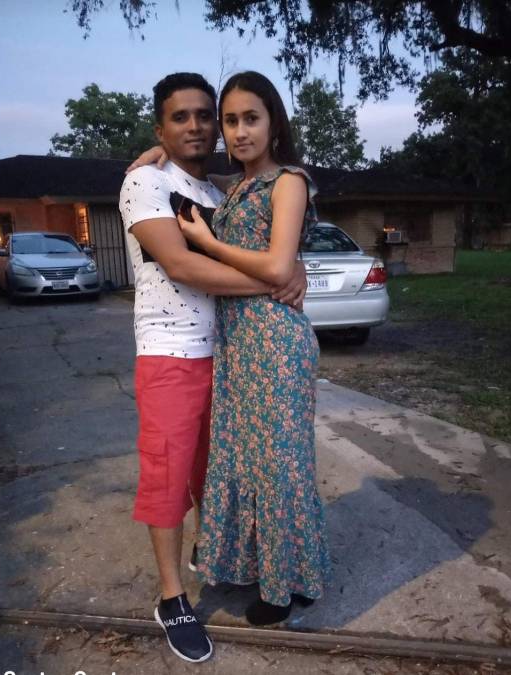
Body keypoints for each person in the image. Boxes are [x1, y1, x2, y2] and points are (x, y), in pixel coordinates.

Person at [118, 72, 306, 663]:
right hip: (169, 354)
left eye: (206, 115)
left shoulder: (220, 189)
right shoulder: (145, 182)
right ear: (160, 128)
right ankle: (172, 597)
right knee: (167, 477)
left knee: (217, 474)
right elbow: (182, 266)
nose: (196, 126)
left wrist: (288, 263)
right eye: (181, 117)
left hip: (228, 355)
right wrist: (276, 278)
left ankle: (224, 559)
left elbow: (269, 209)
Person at [176, 71, 331, 626]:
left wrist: (207, 241)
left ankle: (281, 590)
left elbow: (277, 266)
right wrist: (157, 150)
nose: (240, 131)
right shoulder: (237, 186)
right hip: (238, 342)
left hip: (275, 341)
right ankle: (297, 574)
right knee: (251, 461)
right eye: (230, 121)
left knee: (278, 466)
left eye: (251, 119)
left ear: (274, 123)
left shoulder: (288, 181)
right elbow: (188, 163)